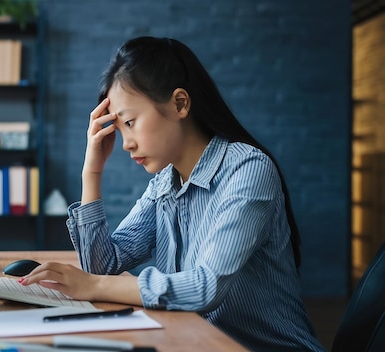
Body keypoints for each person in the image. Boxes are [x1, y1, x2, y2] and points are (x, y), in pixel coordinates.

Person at [19, 36, 325, 351]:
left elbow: (205, 288)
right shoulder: (166, 182)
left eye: (130, 123)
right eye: (119, 130)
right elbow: (104, 263)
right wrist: (92, 171)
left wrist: (94, 286)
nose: (126, 144)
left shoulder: (248, 170)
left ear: (180, 103)